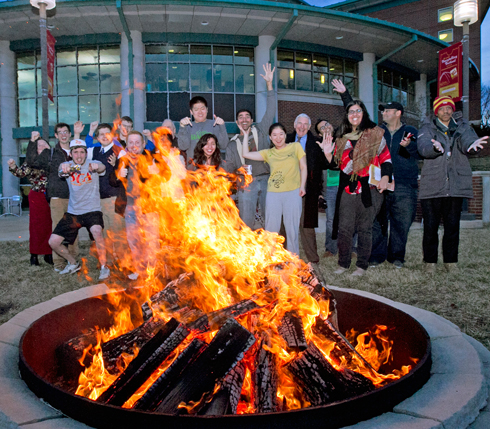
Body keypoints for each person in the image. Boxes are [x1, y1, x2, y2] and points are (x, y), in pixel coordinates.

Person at [319, 100, 392, 276]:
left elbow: (386, 158)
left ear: (363, 113)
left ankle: (361, 266)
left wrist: (385, 177)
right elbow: (337, 165)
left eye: (358, 110)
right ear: (347, 116)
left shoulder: (375, 134)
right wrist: (328, 153)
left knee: (365, 228)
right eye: (351, 111)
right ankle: (343, 264)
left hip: (370, 189)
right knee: (344, 228)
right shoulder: (342, 138)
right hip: (348, 189)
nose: (354, 114)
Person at [417, 96, 488, 272]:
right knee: (430, 227)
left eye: (449, 108)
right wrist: (434, 149)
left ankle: (451, 262)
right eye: (442, 108)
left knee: (452, 227)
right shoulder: (427, 127)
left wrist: (472, 145)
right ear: (436, 111)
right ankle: (430, 263)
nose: (446, 111)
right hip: (433, 185)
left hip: (455, 185)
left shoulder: (463, 127)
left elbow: (468, 141)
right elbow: (423, 146)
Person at [110, 131, 171, 280]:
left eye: (137, 142)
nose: (134, 145)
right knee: (134, 241)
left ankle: (153, 271)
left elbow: (167, 174)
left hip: (148, 207)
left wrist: (157, 172)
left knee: (152, 241)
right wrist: (118, 174)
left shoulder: (151, 158)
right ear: (127, 144)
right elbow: (111, 180)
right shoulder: (123, 159)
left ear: (143, 144)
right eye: (131, 142)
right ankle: (139, 269)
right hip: (130, 207)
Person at [241, 123, 307, 256]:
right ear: (270, 138)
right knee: (271, 229)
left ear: (285, 135)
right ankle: (270, 259)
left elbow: (303, 167)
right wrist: (246, 134)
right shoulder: (269, 153)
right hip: (273, 194)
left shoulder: (296, 147)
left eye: (281, 134)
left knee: (292, 229)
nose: (278, 138)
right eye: (274, 135)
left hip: (293, 192)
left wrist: (302, 186)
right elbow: (245, 153)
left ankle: (293, 260)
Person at [368, 102, 420, 269]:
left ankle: (396, 257)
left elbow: (420, 152)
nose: (384, 113)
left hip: (404, 184)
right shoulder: (377, 131)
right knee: (378, 221)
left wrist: (409, 145)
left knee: (401, 223)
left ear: (398, 113)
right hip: (380, 183)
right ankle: (376, 256)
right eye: (383, 110)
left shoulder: (410, 131)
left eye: (388, 110)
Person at [48, 139, 109, 279]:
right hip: (73, 211)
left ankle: (105, 267)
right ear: (71, 153)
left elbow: (102, 168)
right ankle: (73, 263)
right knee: (53, 242)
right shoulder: (66, 165)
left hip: (92, 210)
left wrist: (96, 166)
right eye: (76, 152)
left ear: (86, 153)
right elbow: (61, 171)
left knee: (97, 231)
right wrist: (64, 170)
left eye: (82, 152)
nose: (79, 156)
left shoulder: (92, 163)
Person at [226, 63, 276, 230]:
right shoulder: (233, 143)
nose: (244, 119)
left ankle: (270, 252)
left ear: (252, 121)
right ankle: (248, 253)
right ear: (236, 122)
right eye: (241, 117)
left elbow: (270, 110)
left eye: (248, 116)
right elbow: (229, 167)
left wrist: (269, 85)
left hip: (266, 180)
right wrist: (239, 172)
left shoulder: (261, 131)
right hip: (246, 184)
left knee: (269, 221)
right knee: (246, 223)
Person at [27, 123, 79, 272]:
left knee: (74, 229)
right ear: (56, 136)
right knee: (58, 229)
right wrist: (32, 142)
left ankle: (74, 259)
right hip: (57, 196)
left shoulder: (77, 151)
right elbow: (32, 162)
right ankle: (59, 262)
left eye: (65, 132)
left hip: (76, 196)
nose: (63, 135)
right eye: (60, 132)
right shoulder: (50, 152)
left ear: (69, 134)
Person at [286, 114, 328, 266]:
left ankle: (313, 259)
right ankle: (283, 256)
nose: (302, 126)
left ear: (309, 127)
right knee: (286, 223)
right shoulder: (286, 139)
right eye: (299, 123)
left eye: (305, 124)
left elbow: (324, 166)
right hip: (287, 189)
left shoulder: (317, 143)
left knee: (307, 225)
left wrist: (320, 192)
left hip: (309, 190)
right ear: (294, 124)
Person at [87, 123, 128, 270]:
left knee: (118, 234)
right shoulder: (94, 150)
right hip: (98, 200)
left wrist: (116, 164)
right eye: (101, 134)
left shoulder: (119, 151)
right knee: (104, 235)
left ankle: (125, 265)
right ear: (97, 137)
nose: (104, 136)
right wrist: (89, 132)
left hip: (114, 198)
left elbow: (125, 172)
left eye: (107, 133)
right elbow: (79, 154)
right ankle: (108, 264)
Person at [8, 134, 53, 266]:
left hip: (52, 197)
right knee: (36, 227)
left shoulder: (53, 160)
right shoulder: (30, 162)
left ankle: (48, 254)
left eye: (45, 144)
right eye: (39, 145)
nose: (43, 147)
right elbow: (20, 173)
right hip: (37, 197)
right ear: (34, 149)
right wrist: (13, 166)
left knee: (50, 226)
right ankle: (34, 255)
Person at [178, 96, 229, 162]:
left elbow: (224, 145)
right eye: (196, 109)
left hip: (213, 169)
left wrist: (222, 126)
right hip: (194, 169)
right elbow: (183, 147)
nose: (200, 112)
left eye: (202, 109)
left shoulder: (215, 124)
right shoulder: (187, 127)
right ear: (191, 112)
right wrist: (182, 127)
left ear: (207, 110)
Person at [315, 120, 338, 258]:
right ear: (319, 133)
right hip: (329, 187)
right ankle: (331, 248)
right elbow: (316, 171)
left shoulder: (343, 140)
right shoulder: (318, 147)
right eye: (322, 127)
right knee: (331, 220)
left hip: (346, 184)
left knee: (349, 218)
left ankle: (352, 248)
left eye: (328, 124)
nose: (326, 127)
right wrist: (319, 192)